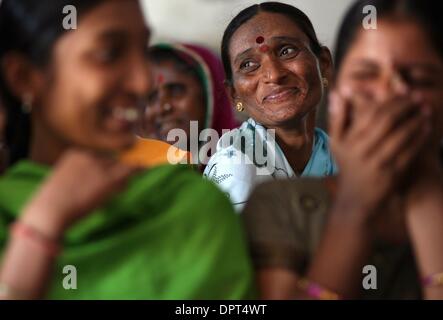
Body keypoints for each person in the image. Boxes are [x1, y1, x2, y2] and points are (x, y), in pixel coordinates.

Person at [0, 0, 254, 300]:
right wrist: (41, 226)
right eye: (110, 54)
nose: (144, 82)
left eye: (142, 53)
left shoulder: (187, 204)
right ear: (25, 78)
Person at [243, 0, 443, 300]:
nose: (390, 94)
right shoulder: (282, 207)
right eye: (366, 74)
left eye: (419, 79)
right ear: (335, 90)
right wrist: (355, 205)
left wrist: (426, 194)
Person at [204, 2, 337, 211]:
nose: (274, 75)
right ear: (234, 94)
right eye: (248, 64)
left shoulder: (340, 157)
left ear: (324, 64)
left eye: (287, 51)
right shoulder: (236, 169)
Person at [140, 43, 238, 170]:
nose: (163, 107)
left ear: (210, 93)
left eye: (176, 90)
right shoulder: (132, 176)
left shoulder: (250, 156)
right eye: (150, 98)